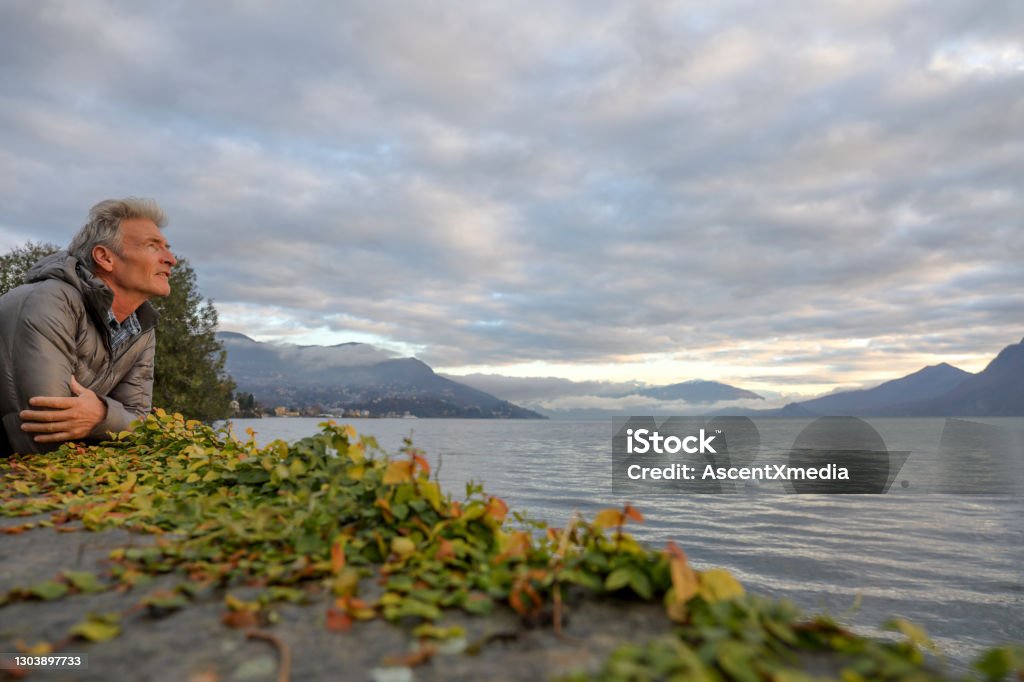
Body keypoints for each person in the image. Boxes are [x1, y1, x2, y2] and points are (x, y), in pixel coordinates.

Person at [0, 198, 176, 455]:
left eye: (167, 248)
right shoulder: (48, 302)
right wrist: (109, 420)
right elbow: (44, 430)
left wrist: (100, 415)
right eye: (153, 246)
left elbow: (141, 424)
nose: (171, 259)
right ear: (105, 257)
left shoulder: (141, 328)